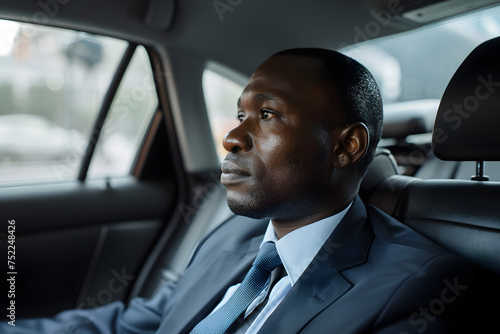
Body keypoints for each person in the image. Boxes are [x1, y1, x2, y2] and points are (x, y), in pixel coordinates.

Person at [1, 48, 472, 333]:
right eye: (241, 113)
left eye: (268, 115)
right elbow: (137, 324)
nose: (232, 136)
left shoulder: (420, 287)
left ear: (346, 146)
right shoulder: (232, 238)